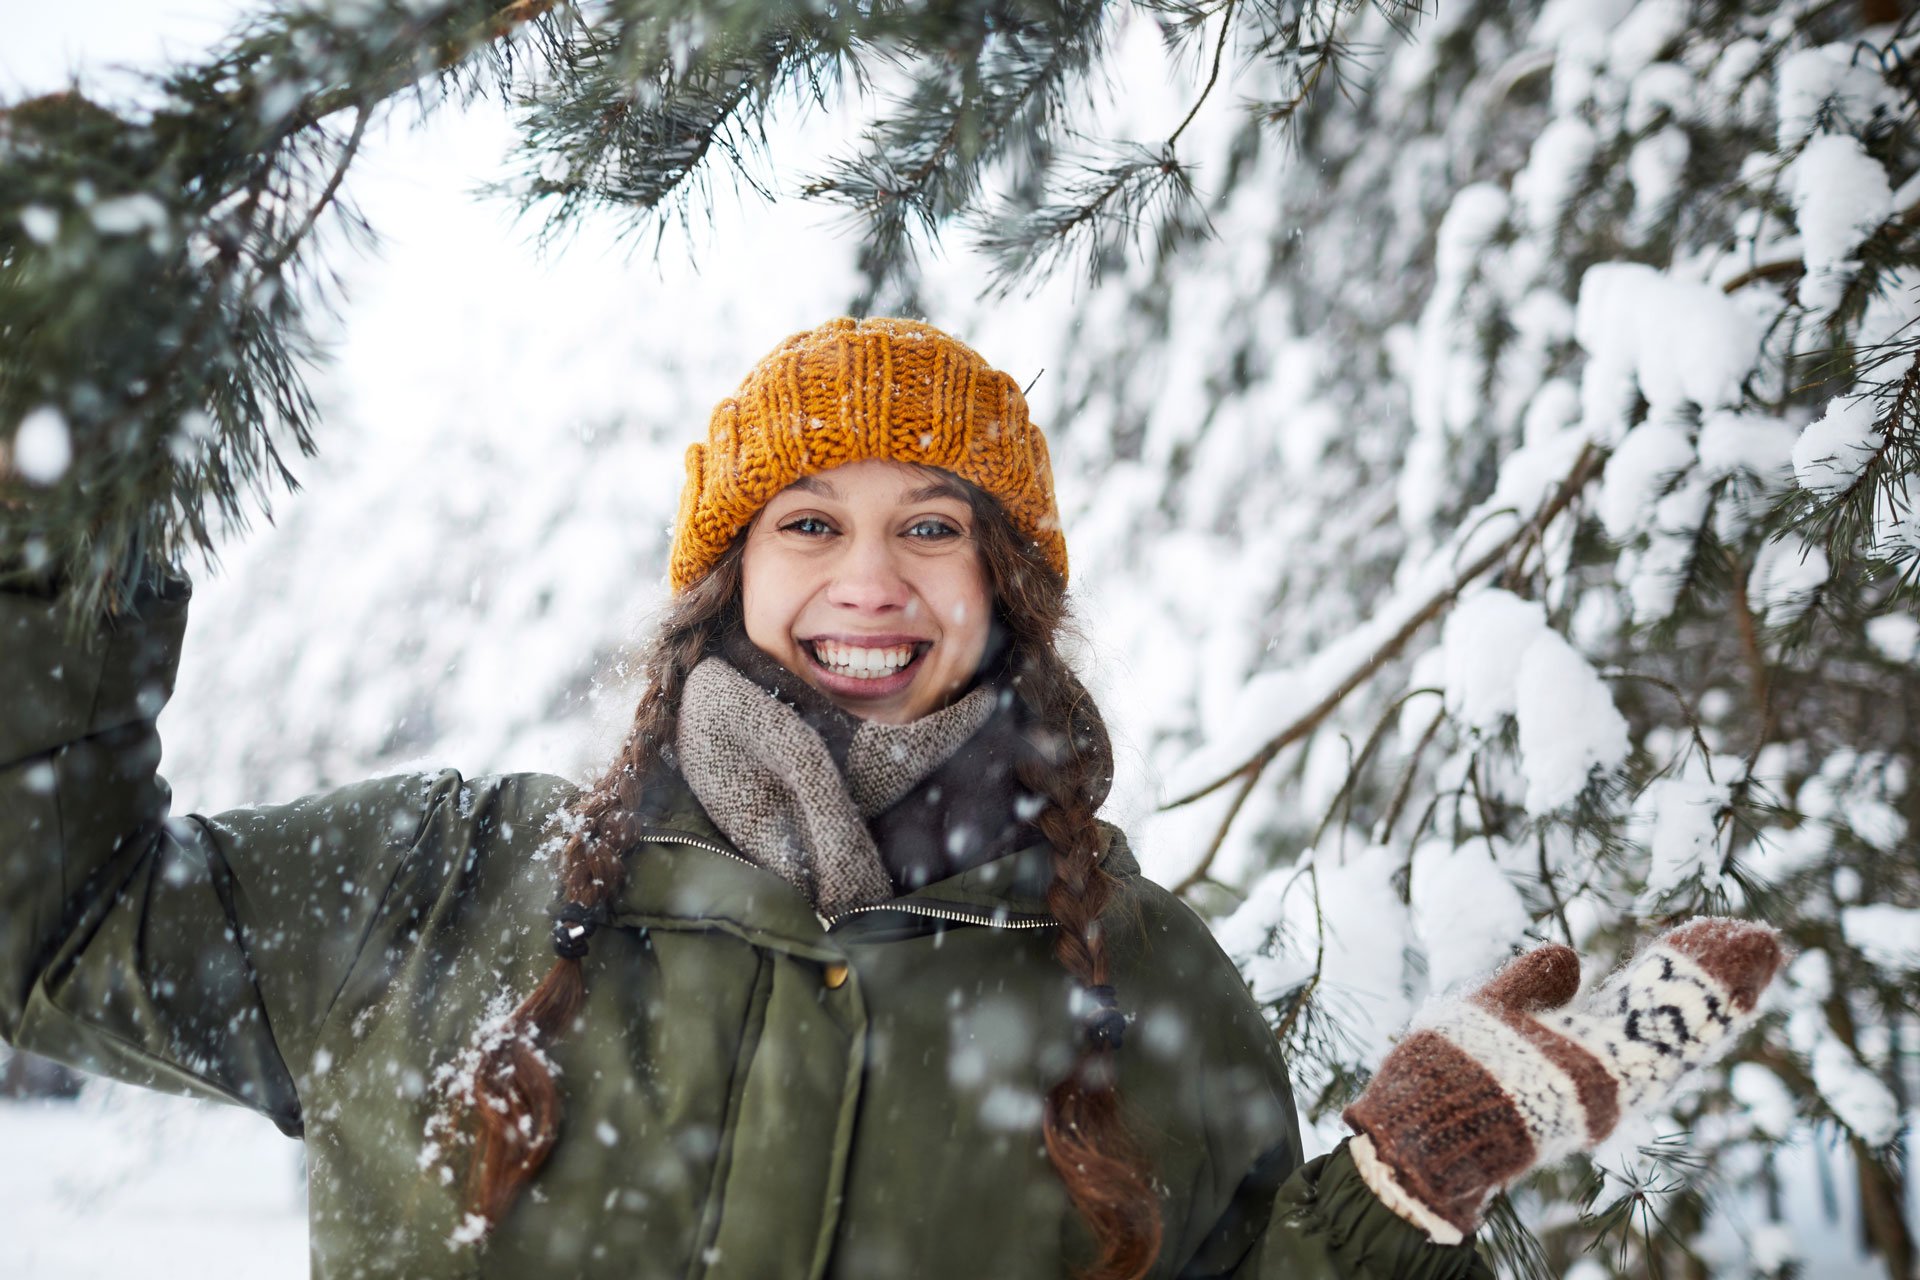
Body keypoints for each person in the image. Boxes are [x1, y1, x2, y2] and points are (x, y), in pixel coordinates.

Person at [1, 316, 1782, 1278]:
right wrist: (51, 516)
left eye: (936, 526)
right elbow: (58, 931)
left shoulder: (1147, 992)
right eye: (811, 523)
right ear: (727, 575)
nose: (873, 579)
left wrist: (1391, 1203)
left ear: (1008, 588)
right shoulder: (445, 882)